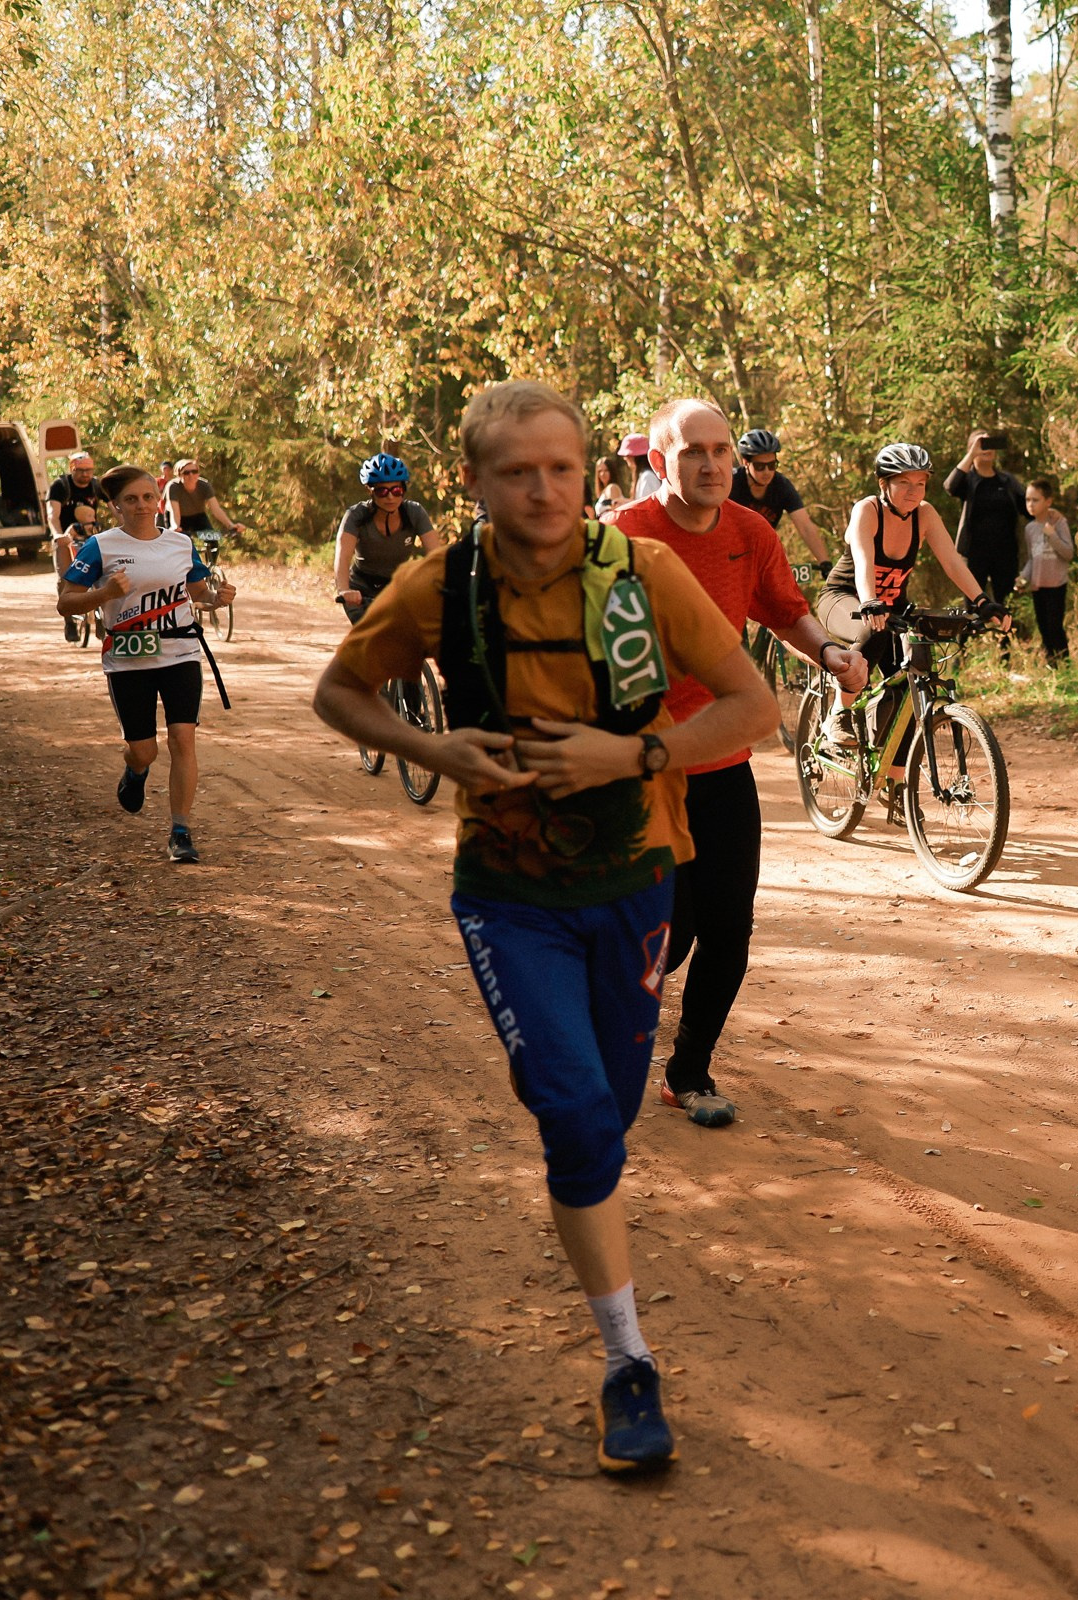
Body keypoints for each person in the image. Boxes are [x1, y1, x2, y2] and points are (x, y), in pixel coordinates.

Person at [313, 380, 776, 1475]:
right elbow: (341, 693)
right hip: (509, 895)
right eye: (517, 470)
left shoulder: (643, 571)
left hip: (634, 877)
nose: (543, 489)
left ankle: (601, 1229)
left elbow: (751, 703)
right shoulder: (440, 584)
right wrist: (436, 754)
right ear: (471, 483)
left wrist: (636, 753)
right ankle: (628, 1362)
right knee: (575, 1117)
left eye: (561, 467)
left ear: (589, 472)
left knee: (608, 1118)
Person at [613, 398, 868, 1130]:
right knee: (668, 931)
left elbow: (783, 608)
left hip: (723, 765)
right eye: (694, 451)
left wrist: (827, 651)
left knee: (728, 930)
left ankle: (687, 1073)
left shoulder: (750, 531)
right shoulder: (622, 536)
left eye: (721, 450)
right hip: (645, 769)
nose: (713, 464)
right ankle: (601, 1043)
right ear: (659, 461)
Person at [56, 464, 238, 864]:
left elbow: (197, 592)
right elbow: (66, 602)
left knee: (182, 739)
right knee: (144, 751)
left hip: (180, 654)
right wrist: (103, 593)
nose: (141, 506)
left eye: (148, 497)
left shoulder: (179, 543)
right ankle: (135, 772)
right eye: (131, 500)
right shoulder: (100, 547)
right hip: (128, 660)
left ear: (158, 500)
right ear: (116, 507)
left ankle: (181, 831)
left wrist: (216, 598)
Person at [816, 444, 1006, 772]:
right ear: (883, 484)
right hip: (845, 598)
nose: (913, 492)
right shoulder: (867, 510)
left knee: (911, 679)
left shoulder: (925, 514)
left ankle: (895, 778)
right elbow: (863, 560)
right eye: (904, 483)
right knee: (870, 631)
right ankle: (838, 715)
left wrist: (982, 602)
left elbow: (952, 562)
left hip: (890, 609)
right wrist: (870, 603)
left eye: (920, 484)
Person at [333, 453, 439, 621]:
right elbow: (343, 556)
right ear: (370, 490)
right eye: (382, 491)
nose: (390, 497)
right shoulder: (356, 515)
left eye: (396, 490)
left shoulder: (414, 513)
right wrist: (344, 590)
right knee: (369, 637)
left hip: (397, 588)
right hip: (361, 590)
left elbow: (437, 556)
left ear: (403, 489)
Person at [946, 430, 1027, 606]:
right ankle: (969, 634)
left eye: (989, 444)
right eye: (981, 444)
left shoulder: (1007, 481)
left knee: (1006, 603)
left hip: (1006, 553)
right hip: (974, 553)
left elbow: (1027, 508)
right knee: (973, 604)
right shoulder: (968, 480)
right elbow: (950, 486)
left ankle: (1006, 634)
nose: (986, 448)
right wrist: (971, 454)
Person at [727, 429, 830, 564]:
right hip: (729, 550)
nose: (767, 472)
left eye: (771, 465)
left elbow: (805, 526)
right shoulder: (730, 484)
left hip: (762, 551)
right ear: (746, 462)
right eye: (759, 466)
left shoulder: (782, 486)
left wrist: (825, 562)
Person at [49, 452, 110, 640]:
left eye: (89, 470)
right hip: (66, 538)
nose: (86, 474)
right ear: (72, 469)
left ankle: (102, 618)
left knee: (102, 574)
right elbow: (53, 514)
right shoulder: (61, 486)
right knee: (65, 576)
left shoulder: (96, 485)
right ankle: (69, 622)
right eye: (81, 470)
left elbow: (115, 507)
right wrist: (58, 535)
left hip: (91, 537)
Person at [1020, 479, 1076, 665]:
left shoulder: (1059, 524)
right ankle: (1051, 665)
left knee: (1055, 627)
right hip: (1038, 585)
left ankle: (1065, 665)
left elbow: (1068, 553)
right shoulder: (1029, 529)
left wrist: (1052, 535)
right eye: (1028, 500)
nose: (1031, 504)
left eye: (1035, 500)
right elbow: (1032, 559)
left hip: (1056, 584)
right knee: (1044, 628)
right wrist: (1023, 577)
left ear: (1048, 501)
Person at [163, 460, 245, 543]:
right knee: (182, 542)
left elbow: (216, 509)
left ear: (198, 473)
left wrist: (230, 525)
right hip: (177, 517)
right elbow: (175, 511)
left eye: (194, 472)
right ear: (179, 475)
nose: (191, 475)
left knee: (212, 540)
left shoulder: (204, 485)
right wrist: (175, 526)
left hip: (197, 516)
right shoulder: (173, 487)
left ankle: (210, 555)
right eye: (186, 473)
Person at [619, 432, 662, 500]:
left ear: (635, 457)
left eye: (628, 456)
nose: (625, 458)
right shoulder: (643, 476)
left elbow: (647, 507)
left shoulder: (648, 477)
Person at [592, 454, 634, 519]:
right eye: (600, 471)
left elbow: (617, 514)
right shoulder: (603, 491)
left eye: (606, 470)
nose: (602, 474)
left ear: (611, 471)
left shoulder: (612, 488)